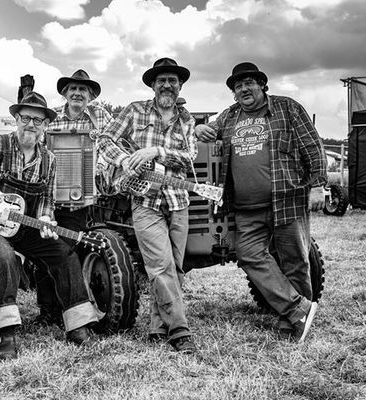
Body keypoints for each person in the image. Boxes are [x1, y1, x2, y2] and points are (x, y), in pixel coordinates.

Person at [0, 91, 98, 360]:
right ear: (16, 119)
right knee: (4, 256)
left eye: (38, 120)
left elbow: (46, 200)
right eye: (26, 118)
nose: (31, 124)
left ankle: (78, 325)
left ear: (45, 125)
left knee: (64, 253)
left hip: (25, 226)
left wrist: (45, 219)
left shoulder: (49, 159)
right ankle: (7, 333)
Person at [194, 62, 327, 342]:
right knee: (249, 254)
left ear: (262, 85)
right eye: (237, 86)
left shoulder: (287, 108)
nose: (243, 89)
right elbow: (209, 131)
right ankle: (298, 309)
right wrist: (200, 129)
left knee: (294, 260)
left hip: (286, 199)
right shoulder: (230, 116)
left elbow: (313, 146)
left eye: (249, 83)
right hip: (246, 207)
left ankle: (293, 321)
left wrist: (318, 186)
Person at [97, 57, 198, 353]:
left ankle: (157, 327)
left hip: (178, 200)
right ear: (153, 85)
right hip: (145, 200)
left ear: (180, 86)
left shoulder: (187, 120)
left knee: (175, 268)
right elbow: (104, 139)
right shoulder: (135, 110)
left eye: (172, 81)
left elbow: (190, 156)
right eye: (161, 80)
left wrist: (156, 151)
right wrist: (124, 159)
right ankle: (179, 330)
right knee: (159, 265)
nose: (167, 85)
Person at [33, 69, 114, 325]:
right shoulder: (52, 117)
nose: (77, 93)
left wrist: (99, 167)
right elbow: (37, 147)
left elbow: (111, 146)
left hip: (80, 198)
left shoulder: (101, 116)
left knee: (68, 250)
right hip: (49, 194)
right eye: (73, 89)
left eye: (82, 90)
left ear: (90, 95)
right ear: (65, 93)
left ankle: (65, 306)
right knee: (44, 249)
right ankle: (47, 310)